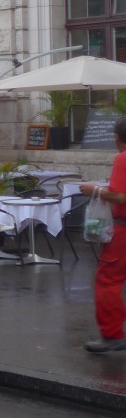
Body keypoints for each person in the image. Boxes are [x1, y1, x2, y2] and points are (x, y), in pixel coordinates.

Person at [80, 115, 126, 352]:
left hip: (123, 230)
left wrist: (94, 190)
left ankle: (112, 334)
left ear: (117, 138)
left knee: (108, 279)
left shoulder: (123, 158)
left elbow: (120, 196)